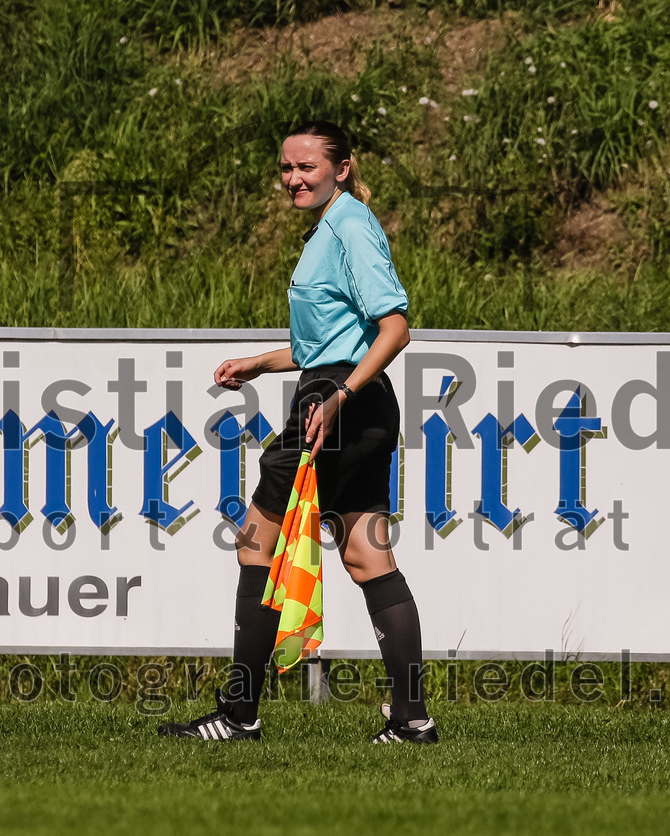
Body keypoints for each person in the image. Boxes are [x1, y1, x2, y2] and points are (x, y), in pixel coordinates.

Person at [158, 120, 436, 744]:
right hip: (346, 403)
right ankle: (412, 719)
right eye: (286, 168)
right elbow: (330, 343)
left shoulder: (352, 227)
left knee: (257, 544)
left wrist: (338, 394)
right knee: (367, 556)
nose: (293, 179)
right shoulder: (329, 229)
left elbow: (395, 330)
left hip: (338, 407)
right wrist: (260, 363)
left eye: (306, 167)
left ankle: (238, 715)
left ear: (341, 168)